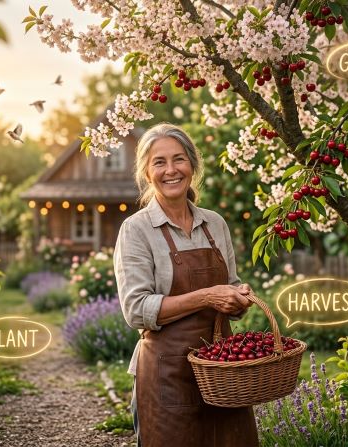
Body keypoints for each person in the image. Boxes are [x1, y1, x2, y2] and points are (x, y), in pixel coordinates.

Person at [114, 123, 259, 447]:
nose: (171, 170)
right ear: (147, 172)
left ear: (192, 165)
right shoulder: (136, 229)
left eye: (179, 159)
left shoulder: (215, 224)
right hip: (167, 374)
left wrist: (238, 297)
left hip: (223, 371)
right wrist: (207, 296)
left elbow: (230, 287)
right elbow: (136, 310)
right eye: (159, 162)